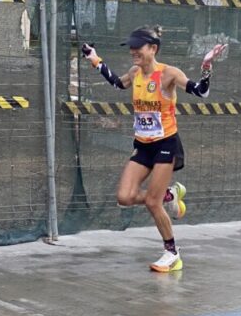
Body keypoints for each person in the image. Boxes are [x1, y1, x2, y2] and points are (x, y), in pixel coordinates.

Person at [81, 26, 225, 273]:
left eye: (138, 47)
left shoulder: (169, 74)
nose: (133, 51)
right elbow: (117, 83)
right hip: (143, 145)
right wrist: (95, 59)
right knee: (124, 197)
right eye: (131, 47)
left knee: (151, 202)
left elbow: (201, 92)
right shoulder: (134, 72)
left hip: (166, 145)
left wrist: (206, 65)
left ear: (153, 48)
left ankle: (172, 253)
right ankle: (169, 194)